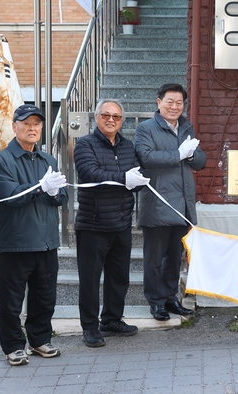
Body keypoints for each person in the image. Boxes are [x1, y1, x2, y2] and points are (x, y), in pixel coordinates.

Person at [0, 104, 68, 365]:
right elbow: (9, 196)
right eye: (26, 123)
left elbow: (62, 195)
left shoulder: (48, 160)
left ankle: (39, 339)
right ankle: (13, 345)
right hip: (17, 241)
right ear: (14, 127)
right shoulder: (2, 160)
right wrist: (40, 187)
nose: (32, 128)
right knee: (11, 300)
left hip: (47, 241)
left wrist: (56, 193)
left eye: (37, 123)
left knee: (44, 296)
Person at [74, 99, 149, 347]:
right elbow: (90, 174)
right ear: (96, 118)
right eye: (106, 115)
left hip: (121, 223)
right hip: (93, 224)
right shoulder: (84, 144)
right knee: (90, 278)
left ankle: (112, 319)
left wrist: (135, 180)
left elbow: (136, 175)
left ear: (121, 121)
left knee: (119, 277)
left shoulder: (128, 147)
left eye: (116, 117)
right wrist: (123, 178)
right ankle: (90, 327)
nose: (111, 120)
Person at [134, 83, 206, 321]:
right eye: (170, 102)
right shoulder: (146, 128)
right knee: (154, 259)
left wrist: (191, 154)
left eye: (179, 103)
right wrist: (179, 155)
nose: (175, 107)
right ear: (159, 102)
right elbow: (145, 157)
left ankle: (170, 299)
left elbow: (200, 161)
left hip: (182, 204)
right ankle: (156, 302)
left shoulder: (186, 128)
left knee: (174, 257)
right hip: (157, 202)